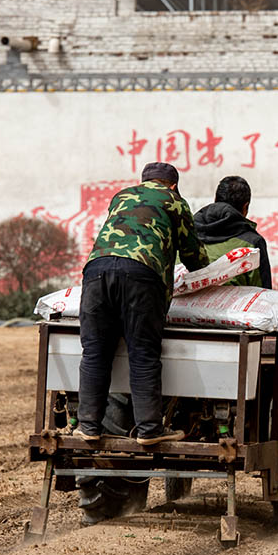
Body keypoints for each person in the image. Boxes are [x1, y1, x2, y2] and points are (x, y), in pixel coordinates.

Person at [75, 161, 209, 445]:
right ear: (172, 185)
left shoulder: (121, 196)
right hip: (141, 276)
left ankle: (88, 426)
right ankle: (149, 430)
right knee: (143, 353)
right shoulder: (174, 201)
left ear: (143, 181)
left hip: (95, 272)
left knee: (95, 351)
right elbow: (193, 256)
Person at [193, 175, 272, 288]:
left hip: (177, 305)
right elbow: (264, 294)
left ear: (216, 200)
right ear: (245, 207)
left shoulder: (186, 234)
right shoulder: (252, 243)